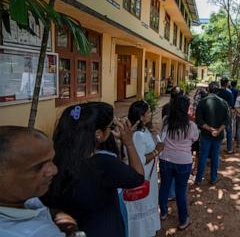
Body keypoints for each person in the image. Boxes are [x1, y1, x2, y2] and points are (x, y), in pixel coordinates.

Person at [43, 102, 145, 237]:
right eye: (110, 127)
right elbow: (138, 177)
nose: (111, 130)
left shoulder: (53, 161)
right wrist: (129, 143)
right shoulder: (103, 164)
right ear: (98, 134)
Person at [0, 126, 65, 237]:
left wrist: (55, 214)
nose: (54, 170)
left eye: (51, 160)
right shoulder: (38, 233)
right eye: (39, 166)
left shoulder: (18, 196)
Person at [158, 95, 199, 230]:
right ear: (186, 109)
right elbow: (194, 139)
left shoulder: (166, 121)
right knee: (180, 191)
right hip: (183, 161)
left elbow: (161, 138)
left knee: (164, 186)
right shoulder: (191, 126)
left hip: (165, 159)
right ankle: (183, 220)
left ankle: (163, 212)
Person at [125, 101, 163, 237]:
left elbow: (158, 144)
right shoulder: (136, 136)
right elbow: (139, 161)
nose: (151, 114)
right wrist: (156, 152)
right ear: (141, 116)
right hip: (142, 179)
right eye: (148, 112)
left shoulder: (144, 130)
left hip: (149, 178)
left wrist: (155, 134)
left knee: (149, 203)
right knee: (141, 205)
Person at [195, 82, 230, 185]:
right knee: (215, 156)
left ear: (208, 90)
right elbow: (227, 120)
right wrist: (218, 130)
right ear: (217, 90)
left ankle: (198, 179)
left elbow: (199, 120)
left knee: (203, 156)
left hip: (206, 134)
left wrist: (210, 129)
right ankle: (213, 178)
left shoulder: (202, 102)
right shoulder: (224, 103)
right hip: (218, 135)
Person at [217, 77, 235, 154]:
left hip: (216, 114)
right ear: (227, 83)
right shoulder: (229, 93)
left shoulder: (216, 92)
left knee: (217, 130)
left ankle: (216, 150)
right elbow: (231, 106)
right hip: (226, 115)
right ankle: (229, 149)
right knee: (229, 131)